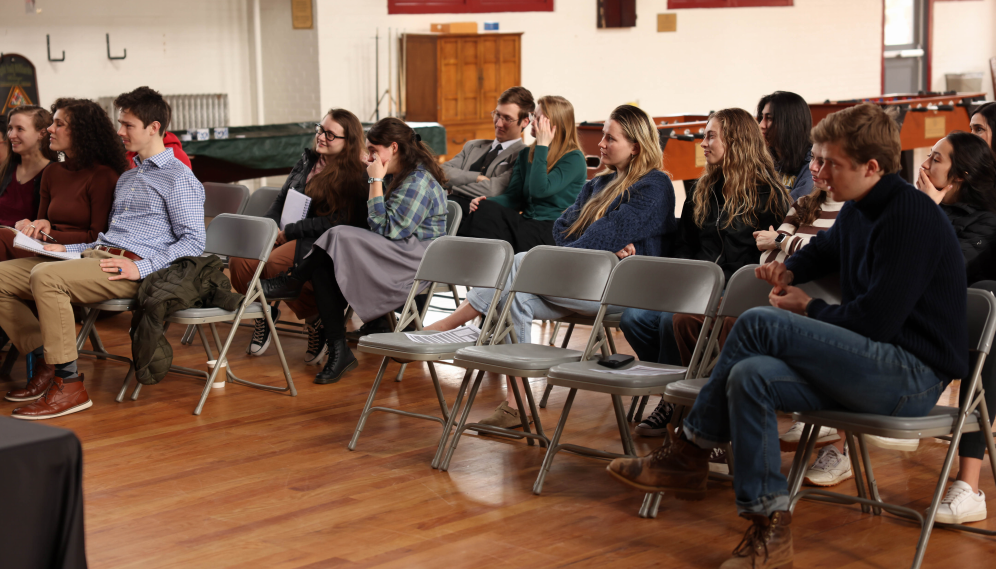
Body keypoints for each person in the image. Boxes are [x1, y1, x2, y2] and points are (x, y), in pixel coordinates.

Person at [606, 103, 968, 568]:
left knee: (758, 323)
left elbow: (877, 321)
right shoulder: (862, 208)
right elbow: (823, 251)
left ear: (871, 167)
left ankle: (690, 450)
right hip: (872, 364)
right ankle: (769, 531)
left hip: (911, 378)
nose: (821, 172)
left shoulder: (910, 217)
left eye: (833, 164)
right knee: (751, 375)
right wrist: (788, 267)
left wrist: (809, 306)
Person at [426, 104, 677, 430]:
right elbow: (561, 227)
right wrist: (598, 243)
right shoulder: (596, 185)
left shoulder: (654, 185)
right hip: (585, 282)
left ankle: (453, 325)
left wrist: (591, 242)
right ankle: (517, 404)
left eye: (610, 139)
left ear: (636, 147)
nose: (600, 144)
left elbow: (606, 233)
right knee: (516, 296)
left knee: (521, 260)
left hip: (625, 291)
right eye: (602, 136)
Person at [0, 86, 206, 418]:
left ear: (154, 127)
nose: (120, 131)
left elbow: (194, 242)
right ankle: (45, 353)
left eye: (128, 125)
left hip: (133, 268)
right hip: (98, 257)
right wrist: (65, 247)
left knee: (46, 277)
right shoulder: (129, 177)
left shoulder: (179, 179)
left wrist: (140, 269)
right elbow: (105, 238)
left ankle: (69, 386)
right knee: (3, 277)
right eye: (120, 124)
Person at [620, 107, 790, 438]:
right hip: (697, 286)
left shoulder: (769, 195)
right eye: (703, 136)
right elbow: (685, 246)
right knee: (634, 318)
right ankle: (676, 386)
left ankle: (680, 399)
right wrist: (685, 278)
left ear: (737, 141)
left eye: (710, 136)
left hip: (737, 292)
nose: (703, 143)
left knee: (676, 320)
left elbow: (771, 256)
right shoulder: (700, 190)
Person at [260, 118, 447, 385]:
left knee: (335, 235)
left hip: (414, 262)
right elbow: (377, 228)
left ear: (393, 148)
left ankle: (293, 280)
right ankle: (339, 350)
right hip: (392, 251)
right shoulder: (396, 174)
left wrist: (374, 180)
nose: (370, 157)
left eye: (374, 150)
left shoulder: (418, 181)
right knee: (327, 262)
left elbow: (386, 230)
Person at [230, 108, 368, 365]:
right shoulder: (307, 161)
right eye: (320, 129)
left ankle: (315, 319)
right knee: (240, 261)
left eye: (330, 134)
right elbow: (281, 200)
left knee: (273, 265)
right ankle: (265, 312)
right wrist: (269, 230)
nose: (321, 137)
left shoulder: (356, 174)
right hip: (286, 233)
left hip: (316, 242)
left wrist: (291, 232)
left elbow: (337, 221)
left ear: (348, 142)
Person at [915, 130, 996, 523]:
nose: (923, 166)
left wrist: (928, 210)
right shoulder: (918, 206)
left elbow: (948, 271)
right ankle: (840, 442)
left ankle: (969, 487)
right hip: (908, 323)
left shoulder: (987, 221)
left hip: (950, 331)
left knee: (992, 313)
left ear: (960, 176)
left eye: (934, 159)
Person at [456, 95, 586, 253]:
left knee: (487, 233)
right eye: (533, 116)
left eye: (537, 118)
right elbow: (514, 197)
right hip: (527, 222)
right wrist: (485, 200)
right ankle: (467, 263)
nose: (532, 121)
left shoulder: (573, 158)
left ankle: (469, 264)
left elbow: (540, 190)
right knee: (484, 209)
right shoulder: (526, 154)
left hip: (554, 229)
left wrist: (542, 146)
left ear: (554, 125)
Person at [1, 99, 126, 261]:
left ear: (81, 131)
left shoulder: (103, 176)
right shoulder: (52, 172)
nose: (50, 129)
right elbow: (41, 223)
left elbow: (97, 237)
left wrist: (48, 234)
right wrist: (34, 226)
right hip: (45, 248)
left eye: (59, 124)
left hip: (77, 254)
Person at [442, 86, 533, 202]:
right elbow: (442, 171)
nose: (499, 124)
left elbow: (493, 190)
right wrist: (477, 178)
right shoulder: (472, 146)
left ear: (525, 122)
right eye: (497, 115)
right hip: (450, 208)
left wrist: (451, 188)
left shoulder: (523, 155)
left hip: (485, 215)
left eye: (507, 118)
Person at [0, 106, 57, 230]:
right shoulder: (6, 168)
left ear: (42, 133)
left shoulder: (54, 173)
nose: (11, 135)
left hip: (24, 244)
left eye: (20, 129)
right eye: (10, 128)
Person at [756, 91, 814, 200]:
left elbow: (795, 208)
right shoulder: (761, 159)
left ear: (790, 123)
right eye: (761, 118)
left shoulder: (813, 163)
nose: (761, 125)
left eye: (769, 118)